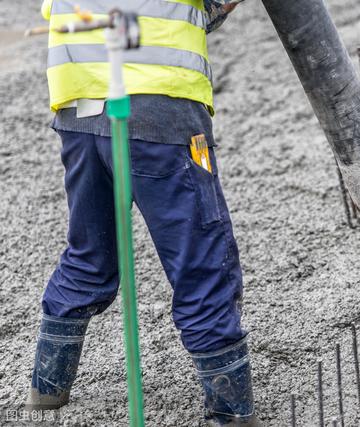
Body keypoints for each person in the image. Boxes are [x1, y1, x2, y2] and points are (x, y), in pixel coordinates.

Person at [28, 1, 260, 425]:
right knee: (202, 261)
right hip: (159, 107)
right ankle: (232, 410)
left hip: (77, 105)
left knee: (89, 254)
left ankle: (47, 387)